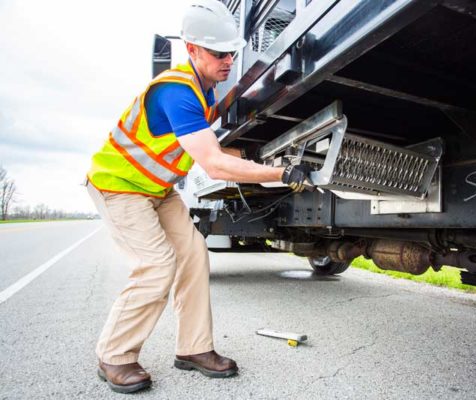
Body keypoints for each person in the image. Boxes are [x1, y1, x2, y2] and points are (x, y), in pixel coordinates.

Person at [86, 0, 311, 394]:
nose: (228, 60)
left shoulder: (206, 89)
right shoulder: (176, 92)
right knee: (157, 266)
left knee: (193, 255)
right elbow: (214, 165)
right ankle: (114, 355)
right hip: (118, 185)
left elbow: (217, 150)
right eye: (218, 53)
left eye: (231, 52)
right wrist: (281, 174)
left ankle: (193, 349)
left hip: (156, 189)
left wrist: (271, 156)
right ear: (191, 49)